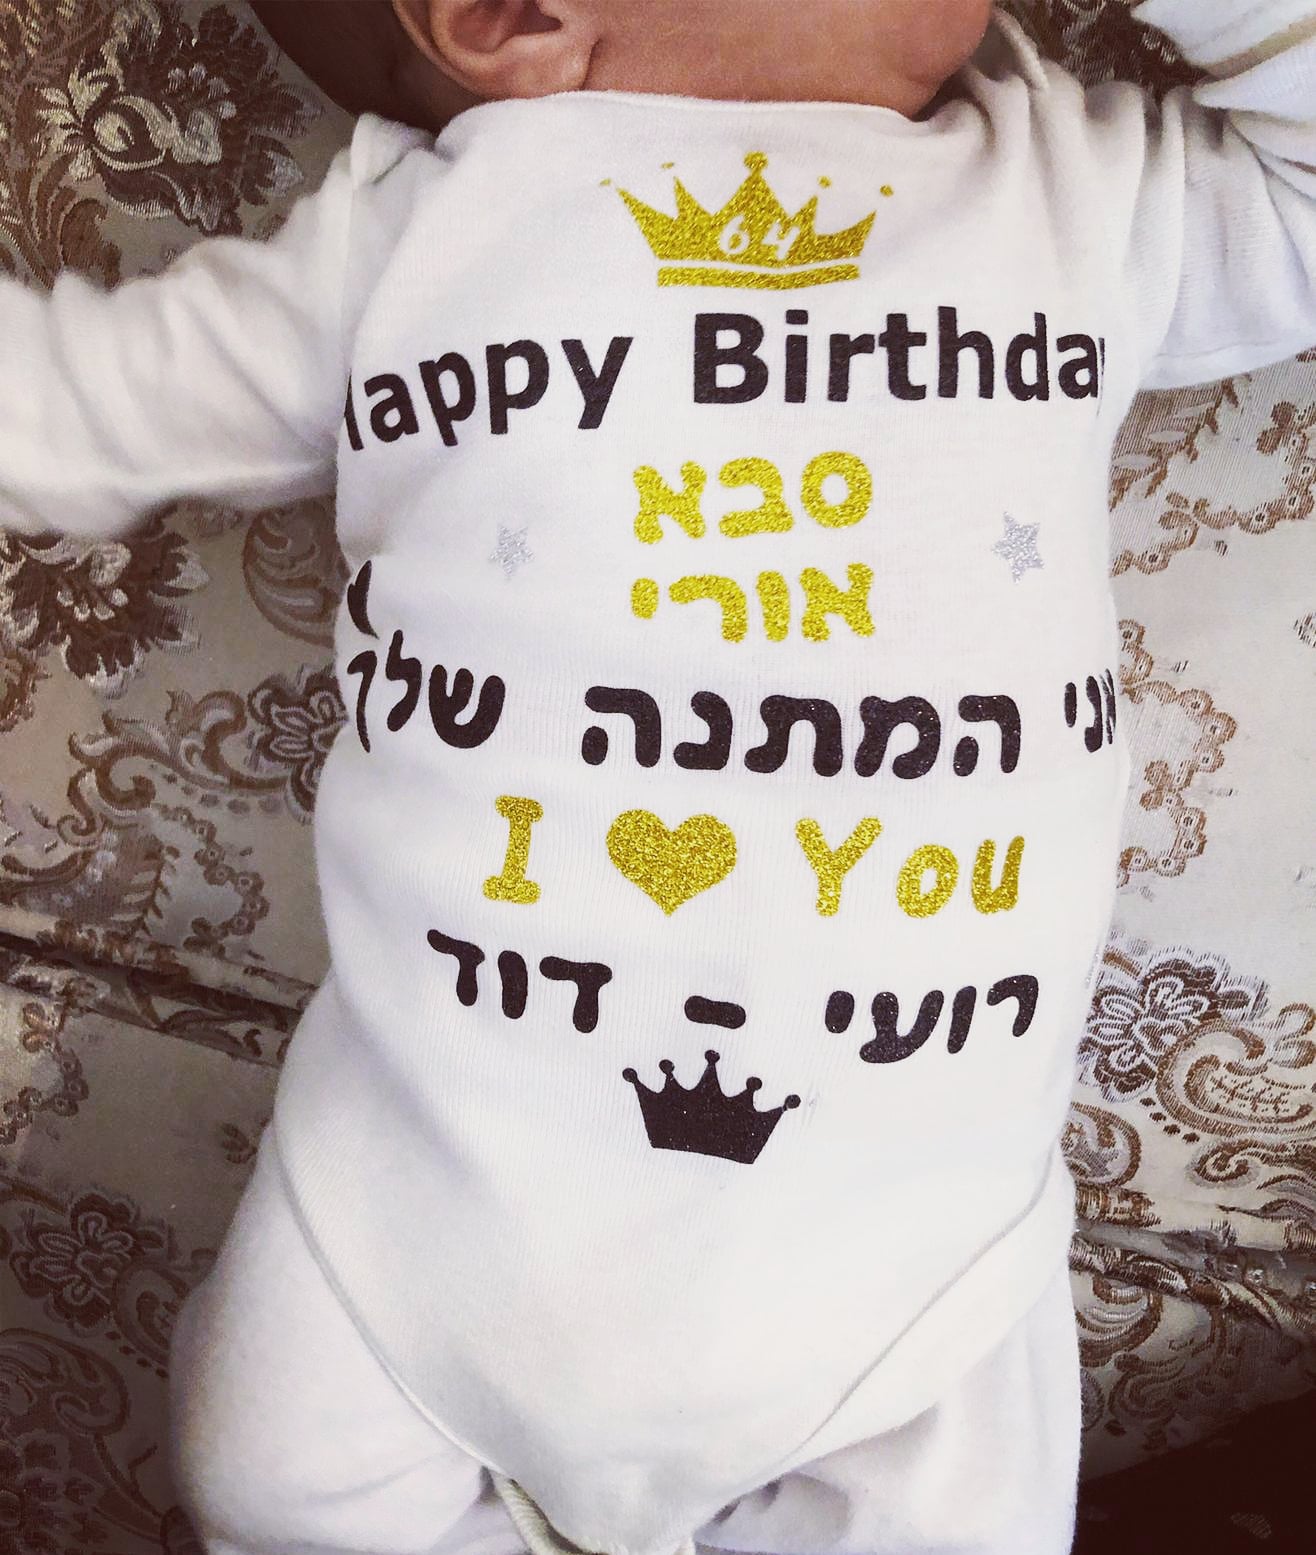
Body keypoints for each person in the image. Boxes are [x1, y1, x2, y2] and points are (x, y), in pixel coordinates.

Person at [2, 2, 1314, 1552]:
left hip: (908, 1277)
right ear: (512, 16)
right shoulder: (415, 239)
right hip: (415, 1232)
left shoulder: (1066, 189)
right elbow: (63, 409)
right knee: (267, 1478)